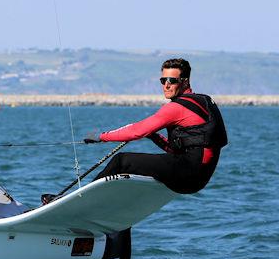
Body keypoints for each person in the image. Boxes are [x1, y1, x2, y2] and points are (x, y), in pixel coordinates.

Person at [86, 58, 227, 195]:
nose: (166, 85)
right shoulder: (204, 101)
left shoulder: (176, 108)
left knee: (122, 161)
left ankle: (85, 198)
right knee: (134, 169)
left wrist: (100, 136)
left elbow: (136, 131)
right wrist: (154, 136)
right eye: (163, 80)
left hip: (188, 174)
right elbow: (176, 150)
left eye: (172, 80)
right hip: (198, 177)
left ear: (185, 81)